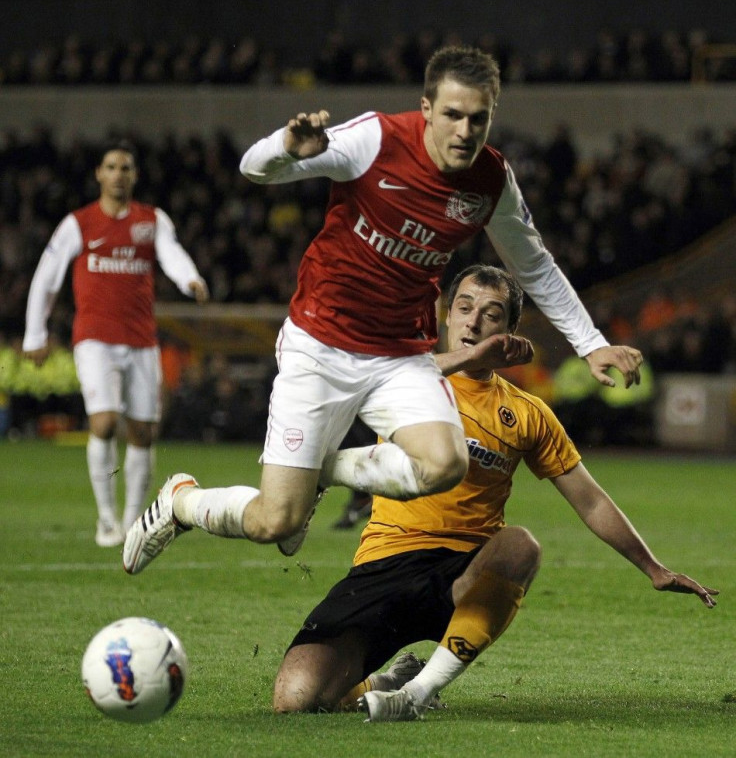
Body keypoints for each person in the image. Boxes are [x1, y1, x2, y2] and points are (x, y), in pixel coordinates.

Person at [122, 45, 643, 573]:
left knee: (446, 463)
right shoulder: (374, 141)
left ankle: (324, 471)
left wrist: (592, 344)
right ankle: (183, 502)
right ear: (426, 109)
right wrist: (287, 145)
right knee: (274, 521)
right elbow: (253, 169)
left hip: (399, 355)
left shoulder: (490, 181)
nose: (465, 130)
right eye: (453, 116)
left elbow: (534, 265)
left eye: (478, 119)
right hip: (320, 344)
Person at [272, 264, 718, 720]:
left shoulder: (527, 412)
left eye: (491, 313)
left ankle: (418, 692)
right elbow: (384, 372)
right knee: (295, 700)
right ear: (445, 315)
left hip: (465, 574)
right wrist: (471, 357)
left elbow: (590, 499)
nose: (473, 321)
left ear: (509, 331)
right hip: (383, 563)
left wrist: (653, 568)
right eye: (464, 308)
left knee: (520, 545)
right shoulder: (404, 377)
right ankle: (386, 681)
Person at [23, 139, 209, 547]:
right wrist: (35, 335)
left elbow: (171, 253)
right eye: (111, 167)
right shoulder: (79, 223)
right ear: (99, 174)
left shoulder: (150, 220)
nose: (118, 174)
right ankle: (106, 519)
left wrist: (189, 278)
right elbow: (46, 277)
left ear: (134, 176)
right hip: (94, 339)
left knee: (143, 432)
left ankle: (131, 523)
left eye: (126, 168)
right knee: (104, 423)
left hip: (141, 340)